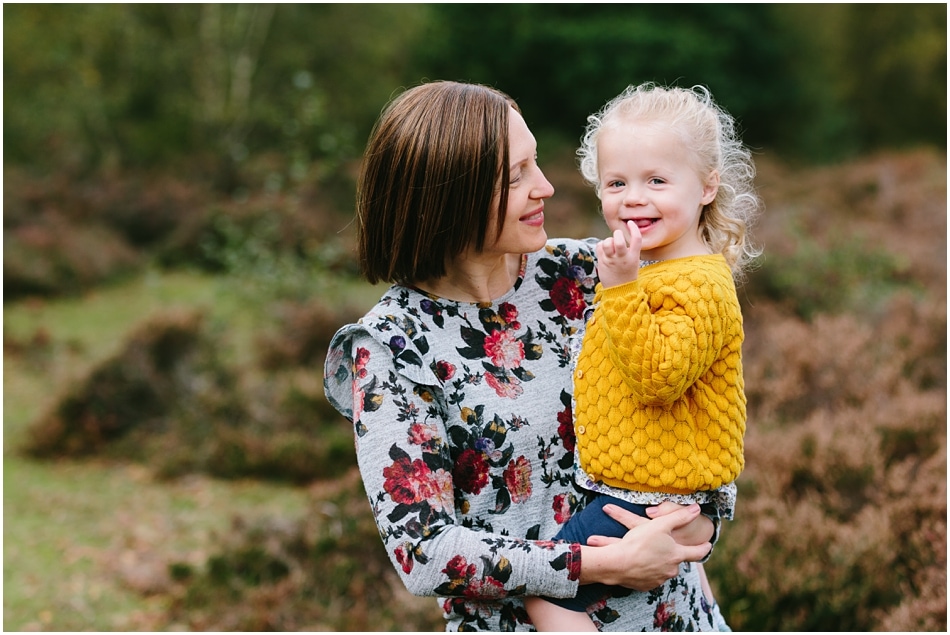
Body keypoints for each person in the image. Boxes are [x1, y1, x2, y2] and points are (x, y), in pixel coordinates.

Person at [323, 80, 725, 632]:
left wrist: (700, 522)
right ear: (450, 198)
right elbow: (423, 550)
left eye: (537, 164)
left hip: (678, 616)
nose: (547, 187)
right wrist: (602, 564)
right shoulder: (393, 347)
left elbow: (706, 395)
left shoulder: (594, 274)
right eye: (518, 175)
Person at [524, 83, 762, 631]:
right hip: (651, 490)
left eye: (657, 180)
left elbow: (658, 375)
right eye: (617, 183)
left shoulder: (700, 283)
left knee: (546, 595)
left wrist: (622, 288)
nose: (633, 198)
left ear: (707, 187)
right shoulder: (656, 266)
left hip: (651, 497)